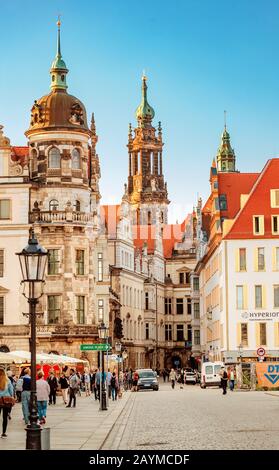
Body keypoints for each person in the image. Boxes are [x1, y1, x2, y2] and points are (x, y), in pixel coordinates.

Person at [0, 368, 14, 438]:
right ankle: (3, 433)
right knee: (5, 417)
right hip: (6, 400)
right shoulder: (7, 380)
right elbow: (11, 391)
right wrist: (12, 397)